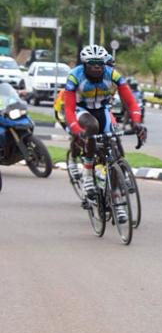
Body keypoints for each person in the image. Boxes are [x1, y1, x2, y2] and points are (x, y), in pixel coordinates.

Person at [64, 44, 147, 222]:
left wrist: (137, 123)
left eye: (100, 63)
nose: (97, 67)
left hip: (103, 110)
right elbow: (69, 109)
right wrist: (77, 130)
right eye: (92, 63)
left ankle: (117, 200)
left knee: (115, 150)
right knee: (92, 127)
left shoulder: (113, 75)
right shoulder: (74, 76)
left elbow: (132, 103)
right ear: (84, 64)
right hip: (82, 110)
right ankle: (87, 174)